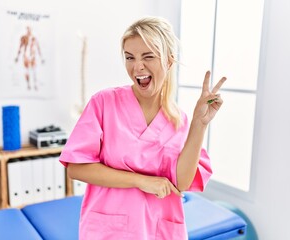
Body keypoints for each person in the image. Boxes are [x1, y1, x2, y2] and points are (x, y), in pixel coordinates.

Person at [59, 16, 226, 240]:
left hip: (159, 230)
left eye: (148, 56)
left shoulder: (181, 121)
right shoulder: (104, 103)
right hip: (109, 230)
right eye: (130, 57)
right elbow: (76, 168)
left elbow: (183, 182)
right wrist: (142, 180)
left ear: (168, 61)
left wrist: (199, 123)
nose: (137, 66)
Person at [15, 26, 44, 91]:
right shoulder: (23, 38)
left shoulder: (34, 38)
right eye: (28, 30)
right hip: (26, 56)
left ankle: (35, 84)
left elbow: (38, 47)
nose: (29, 31)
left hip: (32, 56)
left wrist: (41, 57)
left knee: (34, 71)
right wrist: (17, 56)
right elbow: (20, 47)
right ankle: (28, 85)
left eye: (30, 30)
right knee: (27, 70)